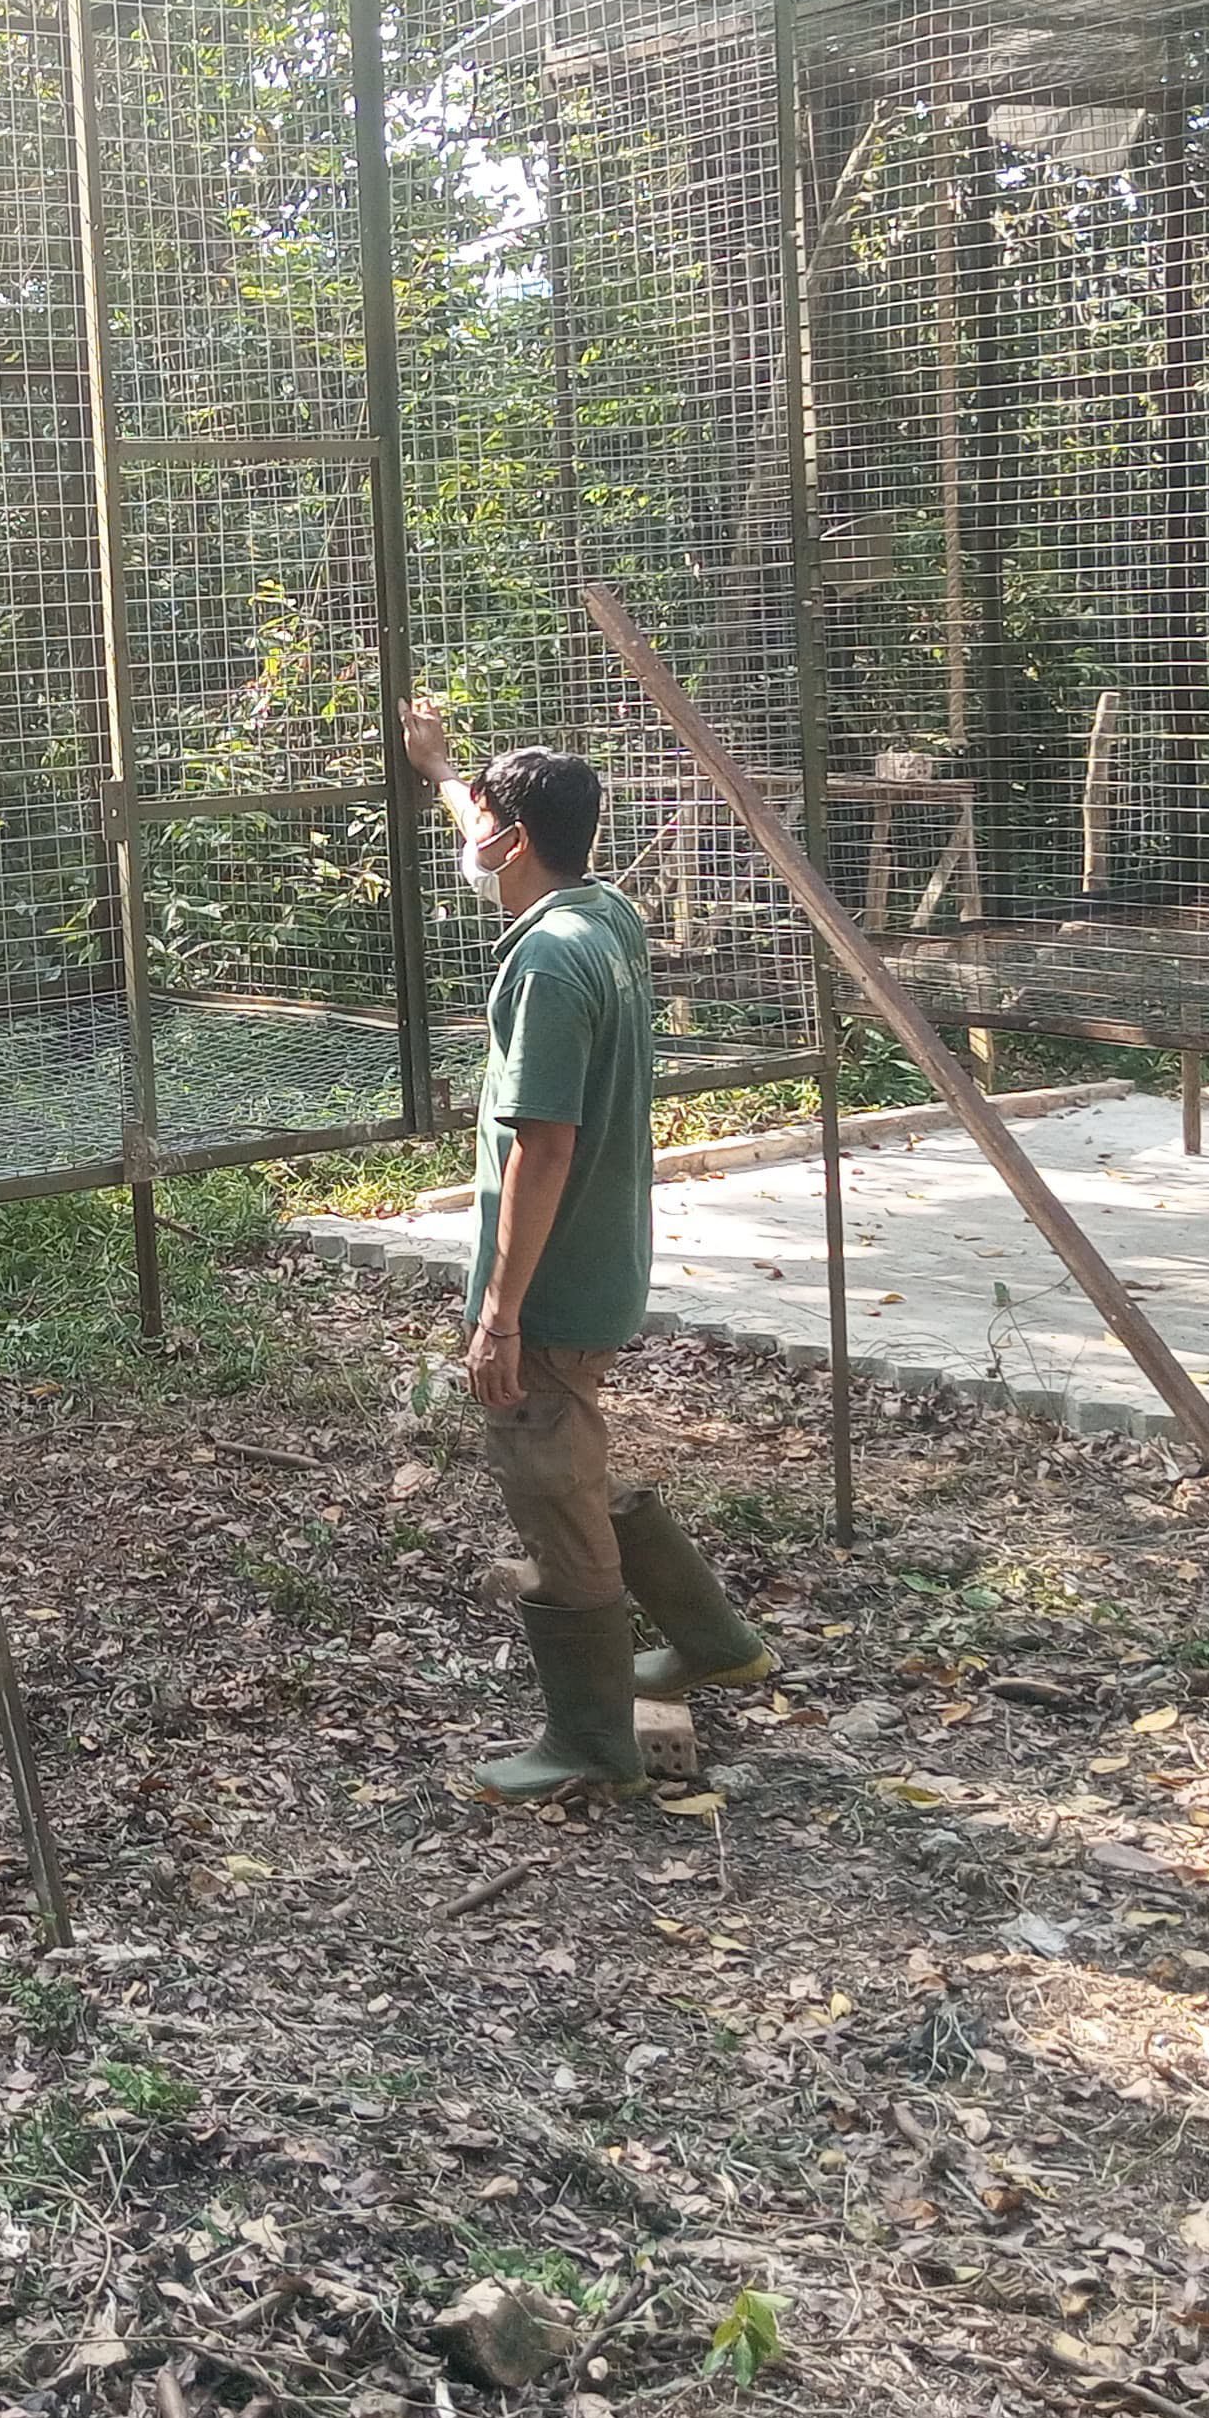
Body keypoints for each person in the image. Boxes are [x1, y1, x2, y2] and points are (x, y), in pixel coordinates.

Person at [399, 701, 780, 1799]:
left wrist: (499, 1315)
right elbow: (483, 840)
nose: (476, 843)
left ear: (518, 843)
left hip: (552, 1283)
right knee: (579, 1458)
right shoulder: (599, 911)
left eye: (487, 826)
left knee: (547, 1482)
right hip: (606, 1260)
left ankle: (590, 1748)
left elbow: (543, 1149)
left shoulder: (544, 969)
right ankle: (712, 1642)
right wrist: (439, 769)